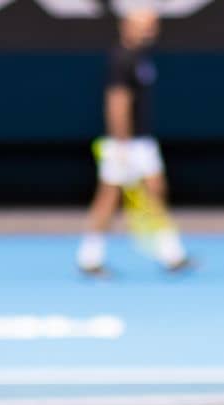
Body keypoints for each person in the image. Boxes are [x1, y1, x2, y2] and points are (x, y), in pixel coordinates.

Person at [77, 8, 190, 276]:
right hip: (126, 143)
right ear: (126, 26)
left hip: (141, 141)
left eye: (153, 26)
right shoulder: (122, 59)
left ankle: (171, 253)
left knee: (156, 190)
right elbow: (117, 103)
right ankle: (89, 257)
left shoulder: (140, 58)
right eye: (144, 25)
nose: (150, 31)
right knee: (109, 197)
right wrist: (121, 144)